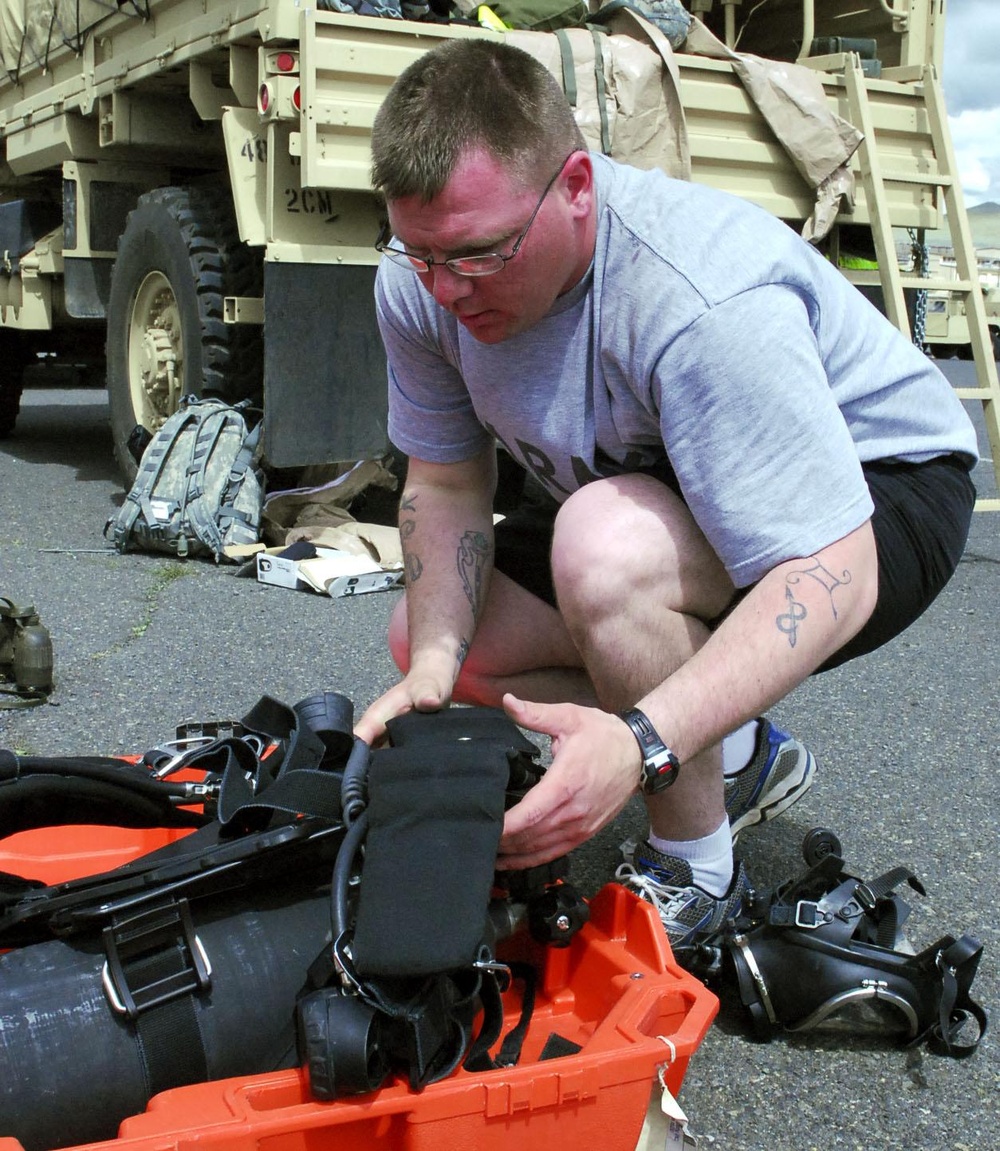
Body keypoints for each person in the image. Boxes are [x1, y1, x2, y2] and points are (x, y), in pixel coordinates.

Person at [354, 38, 978, 963]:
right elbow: (445, 482)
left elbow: (830, 572)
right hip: (666, 493)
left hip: (871, 497)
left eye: (479, 255)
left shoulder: (695, 295)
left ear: (575, 186)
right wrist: (437, 672)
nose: (448, 292)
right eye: (423, 255)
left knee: (605, 552)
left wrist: (641, 744)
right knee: (428, 632)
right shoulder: (422, 287)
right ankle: (737, 756)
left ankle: (695, 867)